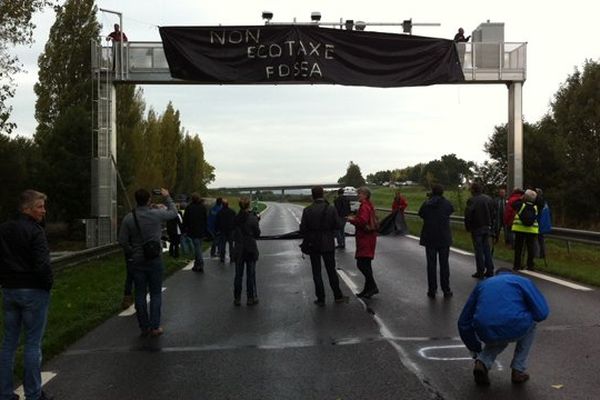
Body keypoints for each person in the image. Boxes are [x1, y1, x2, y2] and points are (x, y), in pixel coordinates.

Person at [0, 190, 54, 400]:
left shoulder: (3, 229)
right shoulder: (35, 231)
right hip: (33, 290)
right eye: (39, 206)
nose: (43, 211)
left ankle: (5, 393)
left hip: (10, 290)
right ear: (27, 208)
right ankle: (33, 394)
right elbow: (42, 265)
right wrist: (47, 285)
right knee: (32, 343)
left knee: (8, 343)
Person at [458, 268, 549, 386]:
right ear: (512, 274)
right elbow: (542, 313)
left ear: (496, 275)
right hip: (514, 325)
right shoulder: (522, 281)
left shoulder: (483, 284)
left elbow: (463, 322)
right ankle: (518, 369)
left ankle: (482, 361)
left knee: (499, 333)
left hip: (485, 327)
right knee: (529, 323)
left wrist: (475, 347)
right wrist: (527, 313)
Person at [118, 188, 177, 337]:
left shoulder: (129, 218)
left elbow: (122, 241)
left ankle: (144, 327)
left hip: (137, 260)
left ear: (136, 200)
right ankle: (155, 326)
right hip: (155, 258)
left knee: (140, 293)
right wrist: (167, 196)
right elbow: (173, 213)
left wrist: (132, 251)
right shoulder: (156, 215)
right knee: (156, 293)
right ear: (149, 200)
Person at [300, 187, 349, 306]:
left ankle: (321, 299)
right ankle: (337, 296)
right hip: (328, 243)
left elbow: (303, 229)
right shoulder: (331, 209)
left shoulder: (307, 210)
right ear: (323, 194)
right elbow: (338, 225)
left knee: (316, 272)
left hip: (313, 244)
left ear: (312, 196)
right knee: (331, 270)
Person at [418, 184, 454, 298]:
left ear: (432, 192)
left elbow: (421, 214)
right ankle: (446, 290)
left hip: (429, 237)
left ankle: (432, 290)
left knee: (431, 265)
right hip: (443, 238)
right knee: (444, 265)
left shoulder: (426, 204)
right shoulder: (447, 203)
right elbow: (450, 211)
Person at [347, 186, 379, 298]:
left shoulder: (364, 206)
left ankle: (373, 286)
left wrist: (352, 220)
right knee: (366, 264)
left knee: (361, 263)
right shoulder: (369, 204)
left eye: (359, 193)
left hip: (365, 238)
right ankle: (367, 289)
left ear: (365, 195)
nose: (358, 195)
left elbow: (362, 221)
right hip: (369, 237)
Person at [232, 197, 261, 306]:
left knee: (238, 275)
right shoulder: (252, 218)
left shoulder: (235, 218)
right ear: (249, 205)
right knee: (250, 274)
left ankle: (237, 298)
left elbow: (233, 233)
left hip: (239, 248)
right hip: (250, 248)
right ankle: (250, 297)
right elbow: (257, 234)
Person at [464, 182, 496, 279]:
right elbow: (493, 213)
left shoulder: (472, 200)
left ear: (473, 190)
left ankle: (480, 271)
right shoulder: (489, 199)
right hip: (487, 227)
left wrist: (468, 227)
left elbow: (468, 215)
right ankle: (490, 269)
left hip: (477, 228)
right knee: (486, 248)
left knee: (479, 250)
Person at [511, 189, 539, 271]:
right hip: (532, 230)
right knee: (531, 248)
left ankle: (517, 265)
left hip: (520, 229)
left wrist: (521, 197)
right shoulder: (535, 207)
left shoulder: (520, 205)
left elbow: (512, 204)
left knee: (518, 248)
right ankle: (530, 265)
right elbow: (541, 202)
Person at [183, 193, 208, 272]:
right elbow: (205, 219)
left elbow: (185, 220)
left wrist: (184, 229)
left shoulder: (189, 208)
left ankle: (200, 264)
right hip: (201, 230)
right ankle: (197, 264)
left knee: (197, 248)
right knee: (198, 247)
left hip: (193, 230)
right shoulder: (203, 207)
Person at [216, 199, 236, 263]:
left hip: (223, 230)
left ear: (222, 205)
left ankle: (222, 258)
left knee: (223, 244)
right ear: (228, 204)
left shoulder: (219, 212)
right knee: (231, 245)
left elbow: (217, 222)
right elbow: (235, 221)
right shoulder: (232, 211)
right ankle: (232, 258)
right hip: (231, 230)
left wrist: (217, 229)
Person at [535, 188, 552, 262]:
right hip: (544, 224)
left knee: (536, 240)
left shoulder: (538, 202)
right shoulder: (545, 203)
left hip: (538, 223)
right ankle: (543, 254)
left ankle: (537, 254)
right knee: (541, 240)